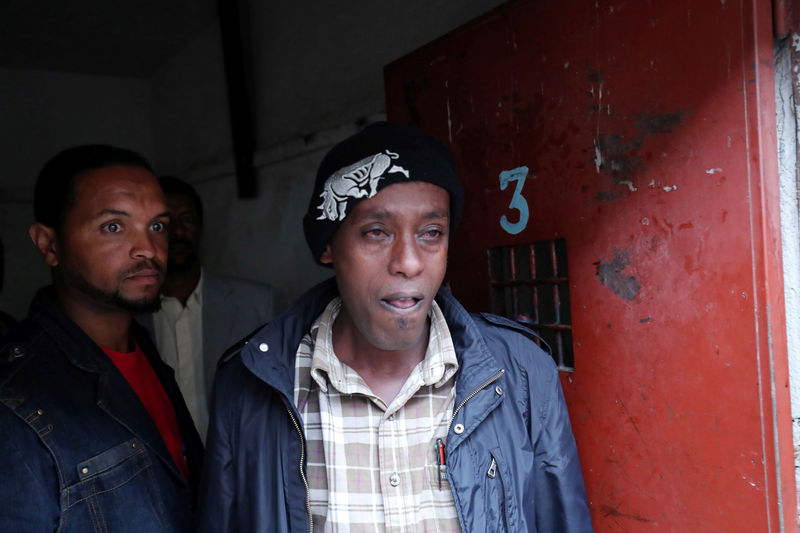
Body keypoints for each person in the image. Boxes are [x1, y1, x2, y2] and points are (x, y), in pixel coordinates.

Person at [199, 122, 593, 532]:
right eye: (376, 232)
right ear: (328, 246)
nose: (409, 261)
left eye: (431, 233)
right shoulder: (251, 384)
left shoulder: (523, 372)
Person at [0, 145, 203, 532]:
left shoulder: (142, 349)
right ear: (49, 244)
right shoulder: (17, 403)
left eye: (157, 226)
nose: (148, 248)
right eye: (114, 226)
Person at [136, 176, 276, 440]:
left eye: (186, 219)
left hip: (237, 467)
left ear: (200, 226)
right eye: (164, 224)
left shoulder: (254, 303)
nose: (177, 232)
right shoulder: (128, 318)